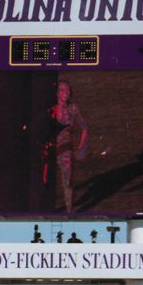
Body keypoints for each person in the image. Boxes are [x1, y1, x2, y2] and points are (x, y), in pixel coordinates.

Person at [45, 80, 88, 214]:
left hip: (65, 149)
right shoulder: (51, 109)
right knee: (45, 181)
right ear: (57, 93)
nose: (67, 93)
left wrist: (81, 147)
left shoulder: (73, 108)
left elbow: (85, 128)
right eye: (63, 90)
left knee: (67, 181)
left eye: (68, 90)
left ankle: (69, 211)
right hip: (50, 149)